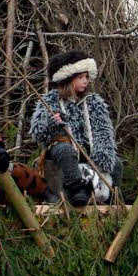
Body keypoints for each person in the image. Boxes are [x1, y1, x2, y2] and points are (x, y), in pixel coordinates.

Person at [28, 50, 119, 205]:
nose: (85, 81)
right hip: (61, 146)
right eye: (80, 77)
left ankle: (111, 195)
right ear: (68, 79)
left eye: (86, 77)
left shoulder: (94, 102)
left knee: (116, 162)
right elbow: (37, 131)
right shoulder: (51, 100)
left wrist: (103, 154)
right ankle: (76, 189)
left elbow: (103, 130)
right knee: (66, 151)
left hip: (88, 149)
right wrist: (52, 122)